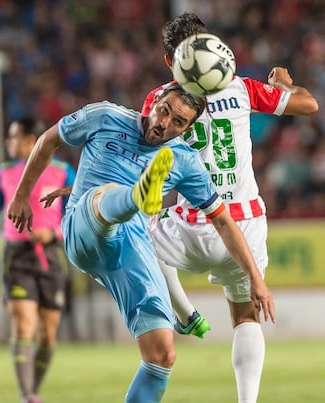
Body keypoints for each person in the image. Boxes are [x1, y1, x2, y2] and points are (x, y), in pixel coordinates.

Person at [6, 84, 275, 403]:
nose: (164, 123)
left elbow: (223, 221)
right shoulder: (106, 116)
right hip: (85, 228)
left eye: (178, 122)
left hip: (130, 248)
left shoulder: (185, 160)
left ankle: (140, 200)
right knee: (102, 196)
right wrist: (22, 195)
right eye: (164, 110)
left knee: (162, 354)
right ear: (154, 101)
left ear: (188, 129)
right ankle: (138, 194)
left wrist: (256, 279)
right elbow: (49, 139)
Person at [141, 13, 319, 403]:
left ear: (170, 61)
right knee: (244, 317)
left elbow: (144, 156)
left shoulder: (160, 101)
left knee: (137, 226)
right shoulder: (241, 88)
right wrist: (285, 86)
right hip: (247, 222)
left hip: (194, 224)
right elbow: (309, 105)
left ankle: (183, 311)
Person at [0, 118, 76, 403]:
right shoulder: (3, 174)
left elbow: (77, 215)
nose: (9, 143)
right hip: (16, 255)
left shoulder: (63, 172)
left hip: (52, 255)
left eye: (14, 137)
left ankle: (33, 389)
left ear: (31, 140)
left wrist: (52, 232)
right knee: (24, 323)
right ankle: (27, 396)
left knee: (48, 334)